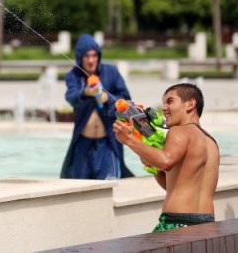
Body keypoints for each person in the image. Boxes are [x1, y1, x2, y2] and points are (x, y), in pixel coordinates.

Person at [114, 83, 219, 231]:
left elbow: (165, 161)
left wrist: (130, 140)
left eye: (170, 101)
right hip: (207, 225)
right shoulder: (210, 141)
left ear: (190, 104)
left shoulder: (180, 131)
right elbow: (173, 187)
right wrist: (151, 163)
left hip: (178, 224)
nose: (163, 108)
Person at [60, 34, 134, 180]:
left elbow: (125, 98)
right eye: (87, 56)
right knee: (80, 188)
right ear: (80, 57)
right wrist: (86, 92)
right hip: (83, 143)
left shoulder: (111, 72)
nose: (91, 60)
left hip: (107, 143)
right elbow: (71, 97)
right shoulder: (74, 76)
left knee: (109, 184)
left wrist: (108, 99)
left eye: (94, 55)